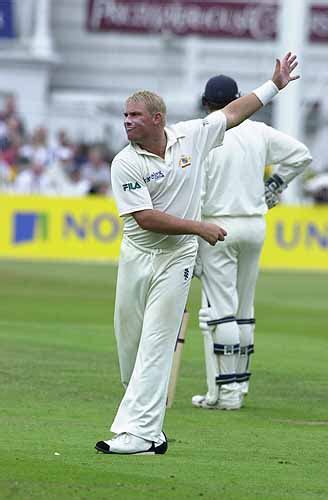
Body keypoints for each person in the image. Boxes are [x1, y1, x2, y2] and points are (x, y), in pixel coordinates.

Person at [95, 53, 300, 455]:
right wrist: (200, 226)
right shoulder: (125, 162)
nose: (127, 122)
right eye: (125, 115)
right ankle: (150, 430)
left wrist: (273, 84)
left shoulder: (193, 135)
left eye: (135, 115)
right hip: (138, 256)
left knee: (157, 340)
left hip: (177, 258)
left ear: (158, 119)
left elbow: (236, 111)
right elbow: (146, 219)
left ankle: (137, 434)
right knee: (130, 346)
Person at [191, 74, 312, 411]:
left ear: (205, 103)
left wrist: (192, 236)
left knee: (221, 311)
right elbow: (302, 155)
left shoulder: (203, 134)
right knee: (244, 310)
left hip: (217, 226)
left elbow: (197, 192)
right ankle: (239, 386)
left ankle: (226, 394)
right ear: (240, 98)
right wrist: (274, 184)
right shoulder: (258, 131)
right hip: (254, 225)